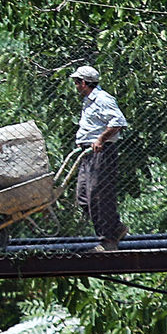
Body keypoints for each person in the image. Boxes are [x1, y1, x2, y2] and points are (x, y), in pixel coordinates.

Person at [70, 65, 128, 251]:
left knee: (98, 194)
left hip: (101, 152)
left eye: (77, 82)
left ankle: (108, 240)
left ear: (85, 83)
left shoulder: (103, 99)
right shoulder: (88, 101)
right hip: (87, 153)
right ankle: (116, 228)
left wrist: (101, 139)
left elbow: (118, 121)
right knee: (83, 197)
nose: (76, 85)